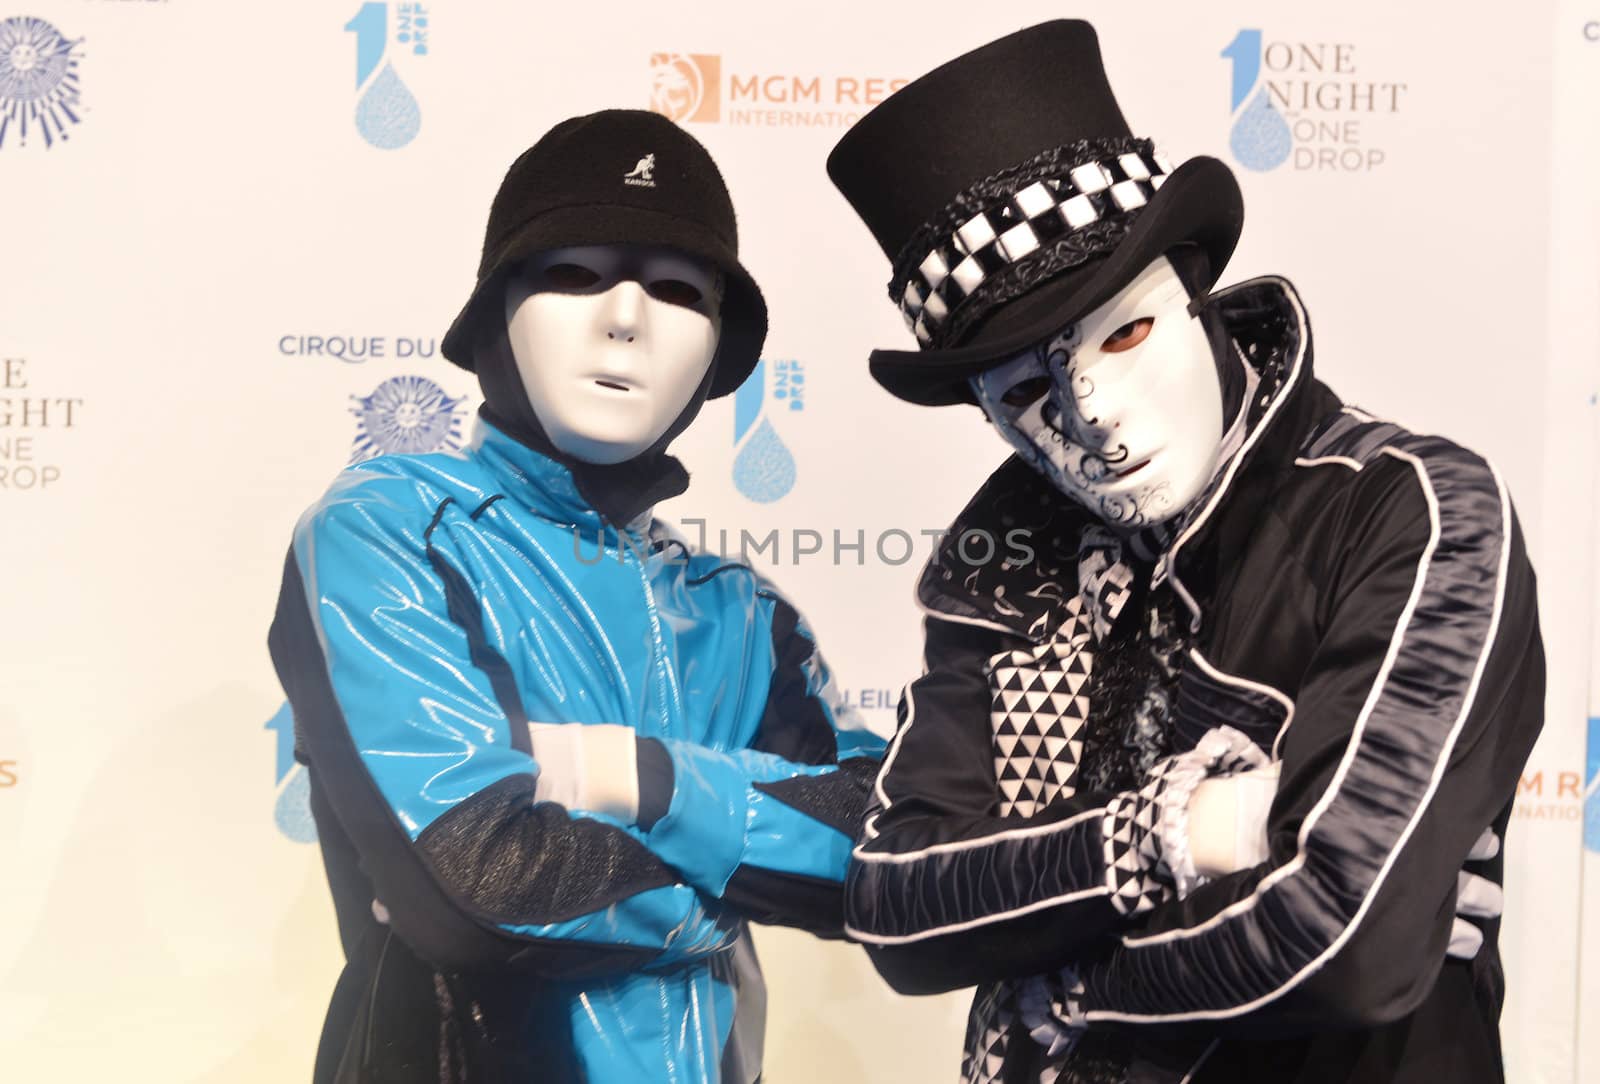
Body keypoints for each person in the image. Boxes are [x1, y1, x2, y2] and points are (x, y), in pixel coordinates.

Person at [826, 21, 1543, 1084]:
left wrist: (1060, 994)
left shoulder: (1409, 507)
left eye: (1123, 335)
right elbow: (895, 906)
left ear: (1196, 289)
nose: (1094, 417)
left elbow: (1343, 931)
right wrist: (1176, 835)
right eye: (1026, 393)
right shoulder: (1001, 563)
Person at [269, 109, 883, 1084]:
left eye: (679, 289)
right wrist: (747, 867)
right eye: (573, 273)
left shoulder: (739, 613)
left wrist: (639, 777)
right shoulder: (385, 528)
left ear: (719, 350)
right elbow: (475, 886)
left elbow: (883, 852)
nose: (626, 316)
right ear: (493, 316)